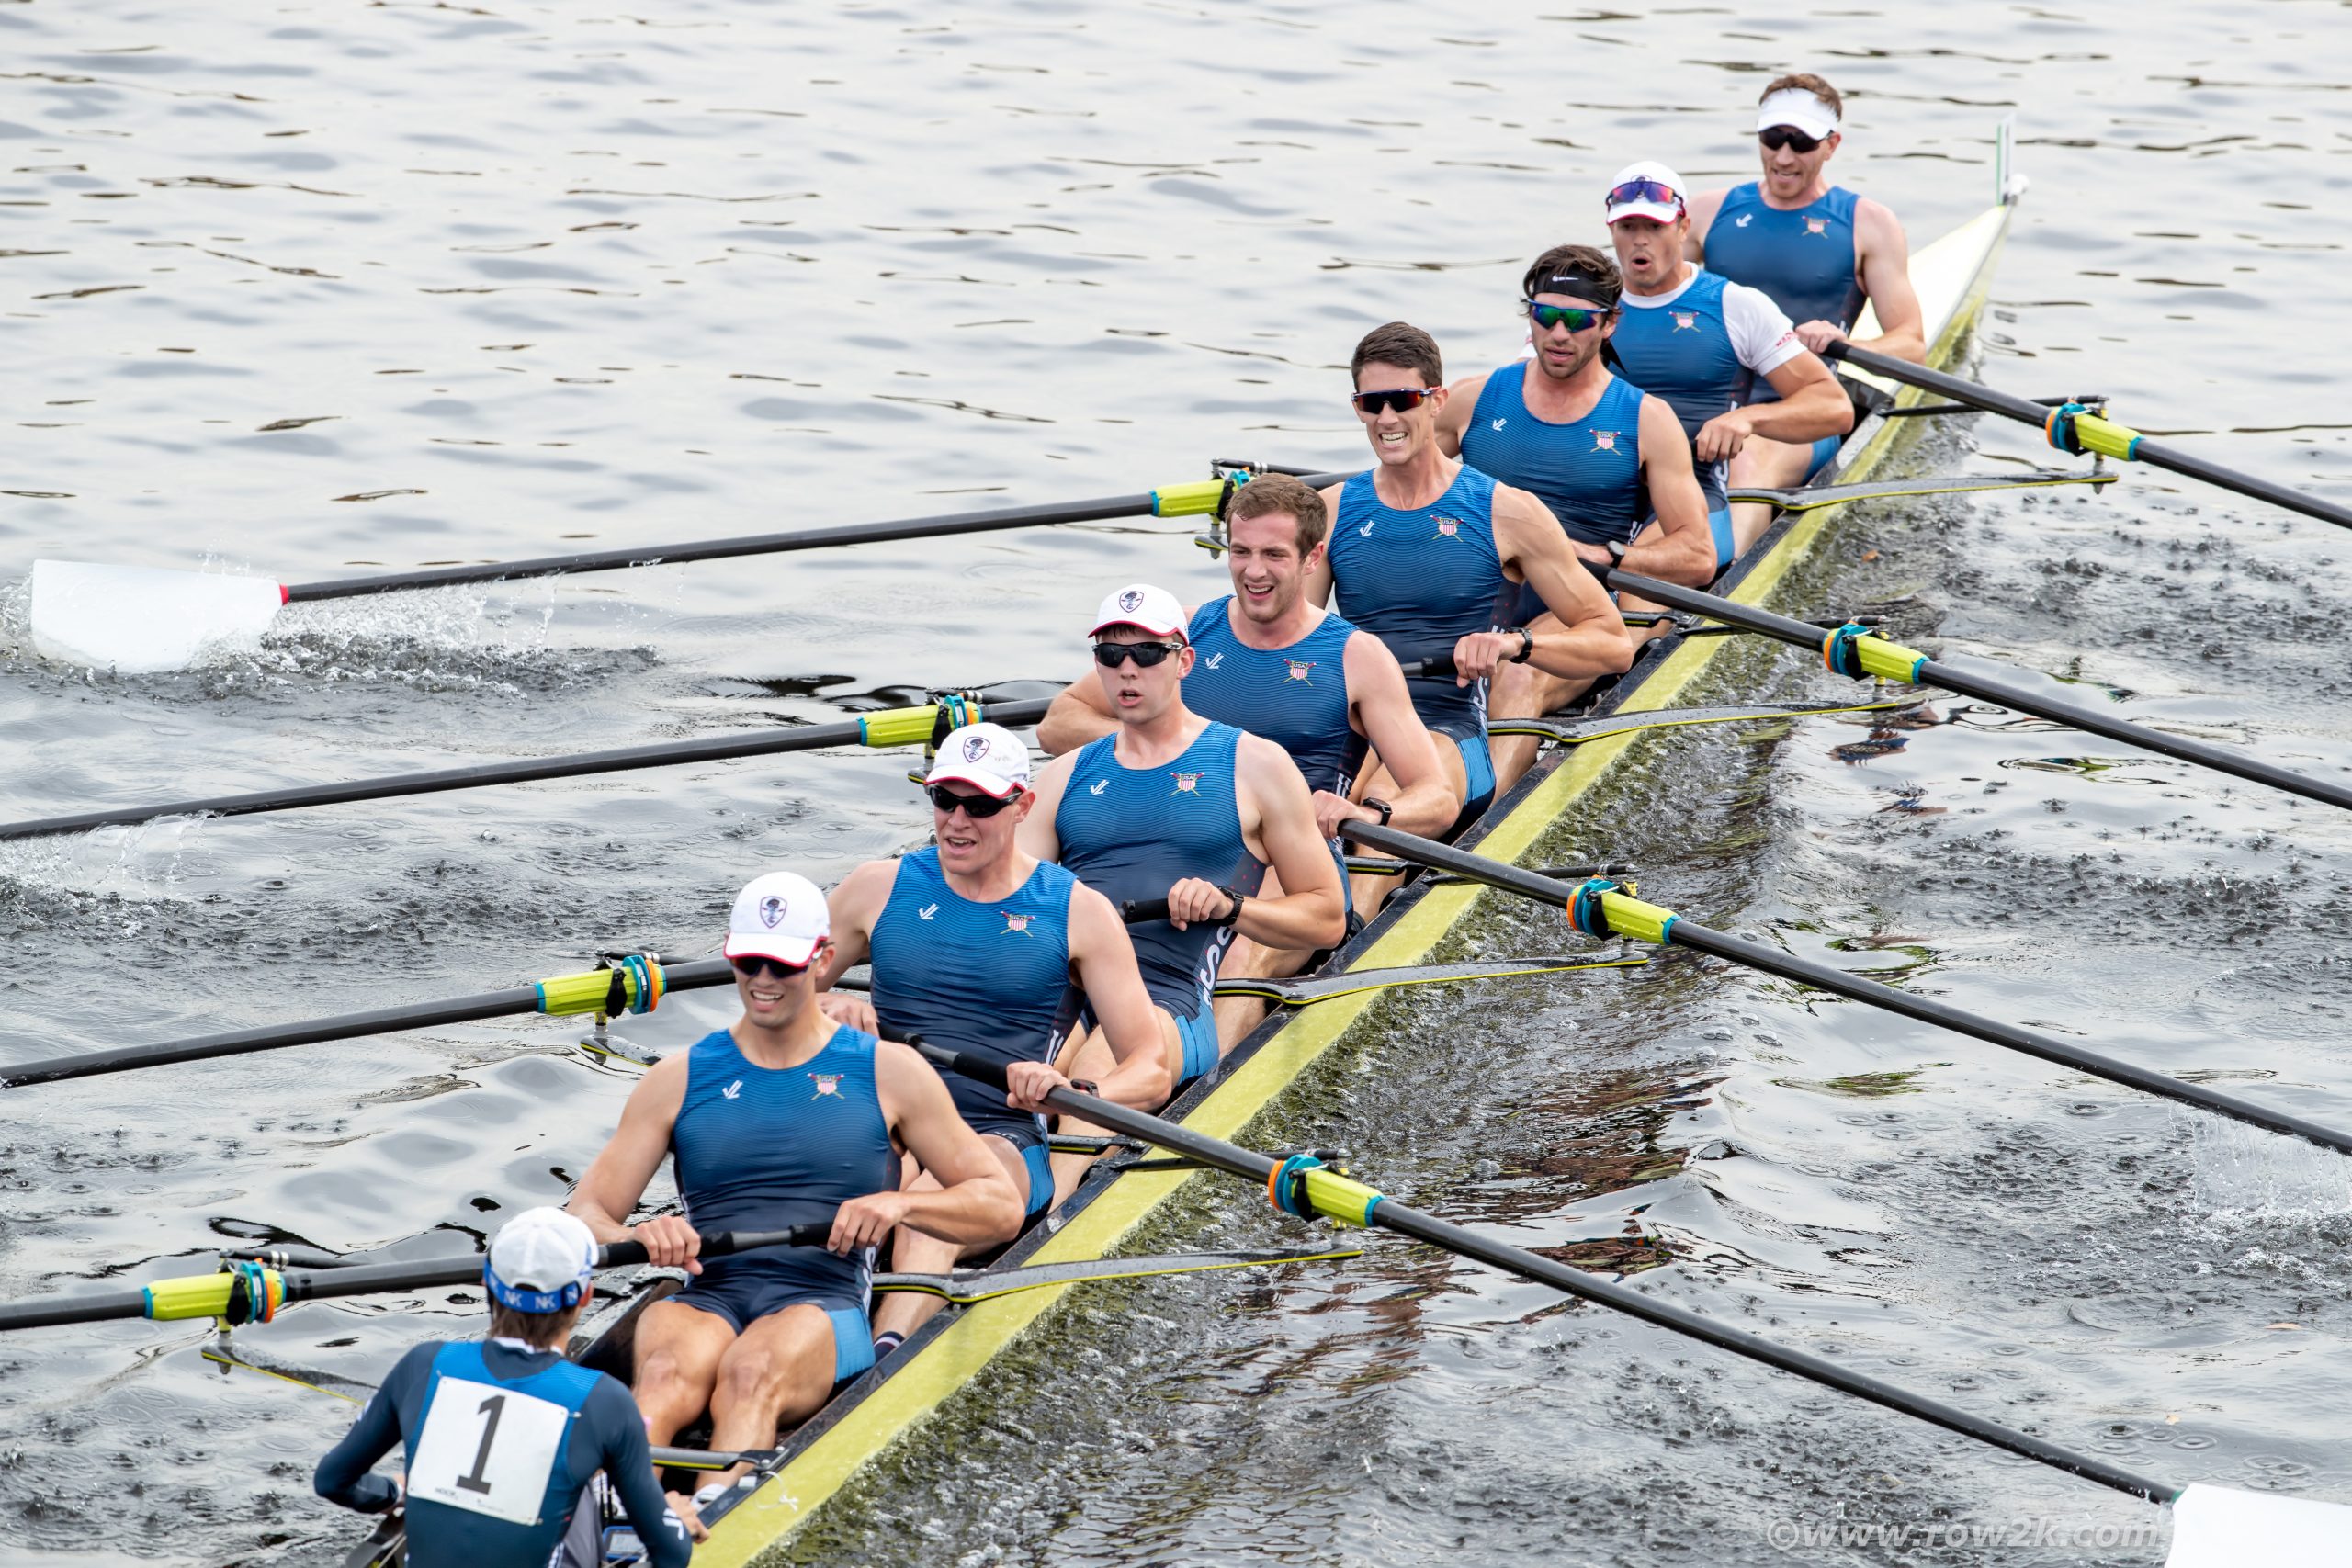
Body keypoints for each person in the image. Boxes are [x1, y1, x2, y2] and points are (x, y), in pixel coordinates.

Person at [566, 870, 1020, 1498]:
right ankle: (611, 1510)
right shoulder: (677, 1078)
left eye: (782, 964)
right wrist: (638, 1233)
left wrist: (901, 1205)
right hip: (708, 1293)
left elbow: (1000, 1204)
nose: (763, 979)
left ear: (824, 959)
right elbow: (584, 1215)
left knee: (750, 1374)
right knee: (663, 1376)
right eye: (748, 961)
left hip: (823, 1299)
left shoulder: (890, 1072)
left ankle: (714, 1515)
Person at [1036, 476, 1460, 1039]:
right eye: (1240, 552)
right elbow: (1059, 721)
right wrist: (1163, 744)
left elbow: (1438, 796)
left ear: (1312, 559)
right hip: (1175, 829)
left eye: (1273, 555)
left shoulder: (1356, 656)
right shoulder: (1182, 634)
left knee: (1238, 953)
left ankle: (1206, 1075)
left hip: (1282, 854)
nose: (1253, 571)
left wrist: (1369, 815)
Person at [813, 723, 1170, 1349]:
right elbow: (771, 1000)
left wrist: (1075, 1090)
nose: (957, 821)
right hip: (885, 1120)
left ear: (1023, 806)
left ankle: (888, 1357)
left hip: (998, 1135)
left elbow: (1152, 1068)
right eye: (944, 799)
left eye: (979, 805)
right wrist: (825, 1008)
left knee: (931, 1203)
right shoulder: (876, 886)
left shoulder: (1076, 909)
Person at [1021, 583, 1348, 1092]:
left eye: (1148, 653)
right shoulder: (1062, 776)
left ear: (1184, 662)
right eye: (1111, 655)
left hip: (1166, 996)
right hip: (1068, 987)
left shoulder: (1255, 765)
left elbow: (1327, 919)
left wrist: (1230, 907)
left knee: (1093, 1072)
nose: (1128, 669)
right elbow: (1003, 903)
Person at [1323, 321, 1633, 812]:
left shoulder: (1507, 511)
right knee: (1299, 802)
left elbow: (1613, 645)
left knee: (1384, 799)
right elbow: (1285, 638)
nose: (1386, 418)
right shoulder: (1332, 509)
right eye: (1371, 403)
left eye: (1403, 400)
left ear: (1438, 401)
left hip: (1450, 723)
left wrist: (1517, 644)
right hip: (1358, 720)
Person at [312, 1207, 699, 1568]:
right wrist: (675, 1523)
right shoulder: (603, 1399)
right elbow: (671, 1554)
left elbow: (333, 1481)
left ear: (486, 1281)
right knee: (583, 1487)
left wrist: (400, 1493)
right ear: (584, 1295)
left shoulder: (424, 1364)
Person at [1687, 72, 1924, 531]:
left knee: (1746, 459)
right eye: (1772, 139)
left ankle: (1727, 568)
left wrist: (1847, 343)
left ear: (1832, 145)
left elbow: (1912, 345)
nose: (1783, 156)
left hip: (1799, 415)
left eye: (1801, 142)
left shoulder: (1868, 224)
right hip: (1704, 405)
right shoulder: (1706, 212)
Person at [1600, 160, 1853, 564]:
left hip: (1690, 494)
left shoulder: (1736, 305)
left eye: (1655, 227)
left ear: (1683, 227)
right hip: (1600, 485)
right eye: (1628, 227)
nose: (1640, 240)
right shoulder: (1583, 310)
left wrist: (1748, 419)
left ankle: (1735, 571)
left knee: (1629, 578)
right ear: (1611, 230)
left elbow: (1835, 408)